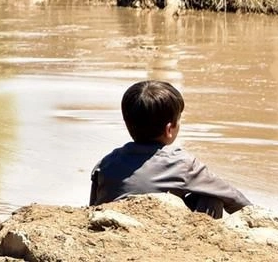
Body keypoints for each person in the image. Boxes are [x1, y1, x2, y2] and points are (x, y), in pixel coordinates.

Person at [90, 80, 251, 219]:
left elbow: (93, 208)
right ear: (169, 129)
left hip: (119, 232)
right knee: (211, 198)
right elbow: (233, 197)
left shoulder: (105, 163)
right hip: (163, 236)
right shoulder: (182, 164)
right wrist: (259, 218)